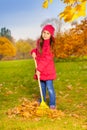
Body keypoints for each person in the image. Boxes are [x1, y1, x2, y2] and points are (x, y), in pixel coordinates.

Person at [31, 24, 56, 109]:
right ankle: (42, 100)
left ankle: (52, 104)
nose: (45, 35)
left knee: (50, 88)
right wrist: (33, 52)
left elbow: (46, 59)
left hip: (48, 71)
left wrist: (39, 69)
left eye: (48, 33)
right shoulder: (39, 42)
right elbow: (37, 51)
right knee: (42, 87)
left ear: (51, 35)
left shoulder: (50, 46)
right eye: (44, 32)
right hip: (40, 70)